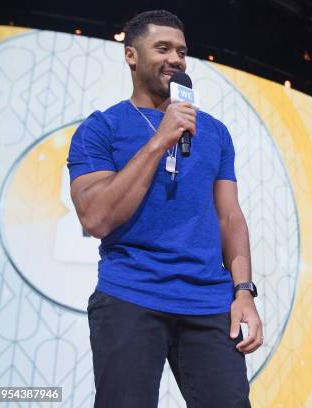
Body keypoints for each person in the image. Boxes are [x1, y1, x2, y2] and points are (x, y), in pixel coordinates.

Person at [67, 10, 261, 407]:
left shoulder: (214, 132)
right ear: (131, 55)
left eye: (182, 51)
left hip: (209, 303)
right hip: (130, 296)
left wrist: (244, 293)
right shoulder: (101, 129)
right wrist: (160, 139)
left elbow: (230, 217)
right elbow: (96, 217)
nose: (176, 59)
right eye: (163, 48)